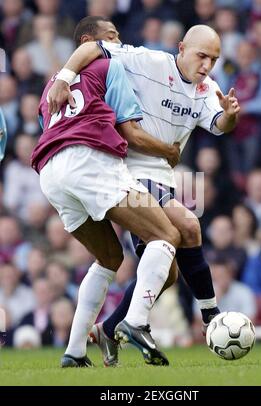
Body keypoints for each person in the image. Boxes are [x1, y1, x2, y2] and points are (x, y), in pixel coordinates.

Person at [48, 18, 240, 367]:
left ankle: (108, 328)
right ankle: (207, 316)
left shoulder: (207, 88)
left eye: (213, 59)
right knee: (187, 226)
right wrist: (62, 77)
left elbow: (219, 127)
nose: (207, 65)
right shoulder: (145, 61)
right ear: (180, 49)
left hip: (157, 177)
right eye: (201, 56)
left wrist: (229, 116)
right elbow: (94, 46)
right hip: (129, 172)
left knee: (167, 274)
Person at [31, 16, 183, 367]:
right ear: (89, 41)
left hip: (51, 173)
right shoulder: (108, 64)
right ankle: (135, 323)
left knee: (110, 259)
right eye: (112, 36)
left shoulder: (51, 85)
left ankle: (74, 352)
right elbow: (129, 132)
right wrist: (169, 151)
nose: (119, 43)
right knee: (166, 234)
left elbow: (52, 128)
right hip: (89, 161)